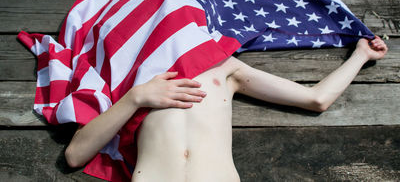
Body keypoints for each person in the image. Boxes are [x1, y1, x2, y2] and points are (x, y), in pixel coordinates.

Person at [64, 35, 387, 181]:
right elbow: (75, 155)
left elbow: (315, 99)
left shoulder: (226, 67)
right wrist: (135, 97)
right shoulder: (132, 79)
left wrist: (361, 56)